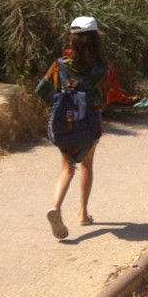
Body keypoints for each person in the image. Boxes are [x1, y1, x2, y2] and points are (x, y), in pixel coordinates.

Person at [35, 16, 111, 239]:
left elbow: (41, 89)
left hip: (63, 126)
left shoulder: (60, 65)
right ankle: (83, 214)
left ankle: (56, 207)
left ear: (72, 39)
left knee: (67, 169)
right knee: (86, 166)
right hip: (89, 125)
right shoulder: (101, 69)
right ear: (96, 39)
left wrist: (60, 104)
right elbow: (105, 97)